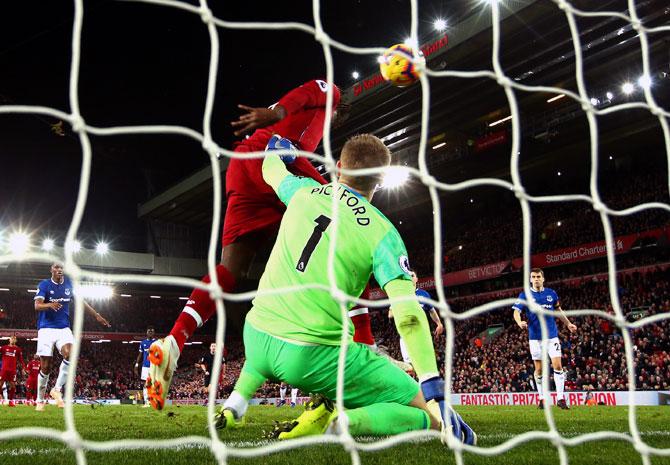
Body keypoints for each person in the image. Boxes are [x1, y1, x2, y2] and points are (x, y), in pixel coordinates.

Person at [212, 134, 475, 443]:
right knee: (430, 414)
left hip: (255, 336)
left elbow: (272, 172)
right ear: (378, 182)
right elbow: (408, 317)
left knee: (271, 341)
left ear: (338, 167)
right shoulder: (383, 233)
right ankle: (346, 421)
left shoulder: (303, 191)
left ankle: (236, 405)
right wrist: (433, 387)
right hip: (311, 357)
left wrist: (275, 150)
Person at [147, 79, 342, 410]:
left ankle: (175, 340)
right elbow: (306, 93)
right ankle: (354, 349)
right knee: (343, 220)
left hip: (245, 166)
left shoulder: (313, 131)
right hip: (278, 156)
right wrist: (275, 112)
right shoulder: (330, 96)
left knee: (230, 270)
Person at [33, 262, 111, 411]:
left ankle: (56, 389)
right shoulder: (44, 285)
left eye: (61, 268)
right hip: (46, 329)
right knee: (46, 367)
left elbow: (81, 301)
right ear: (51, 270)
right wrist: (50, 305)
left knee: (71, 353)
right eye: (56, 268)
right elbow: (37, 306)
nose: (59, 270)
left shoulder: (69, 284)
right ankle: (40, 399)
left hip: (63, 328)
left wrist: (97, 315)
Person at [512, 268, 577, 410]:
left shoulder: (551, 294)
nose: (536, 279)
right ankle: (542, 398)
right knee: (539, 370)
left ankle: (560, 398)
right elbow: (516, 311)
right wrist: (519, 322)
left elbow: (558, 310)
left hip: (552, 337)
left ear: (543, 278)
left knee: (558, 366)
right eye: (533, 277)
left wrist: (568, 323)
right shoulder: (525, 295)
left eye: (538, 276)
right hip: (535, 338)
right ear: (530, 279)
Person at [389, 271, 444, 367]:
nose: (410, 277)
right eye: (408, 276)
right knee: (410, 366)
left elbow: (432, 311)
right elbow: (390, 314)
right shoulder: (399, 295)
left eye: (412, 275)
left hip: (422, 333)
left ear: (416, 279)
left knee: (425, 364)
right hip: (406, 334)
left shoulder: (424, 294)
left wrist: (439, 323)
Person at [0, 335, 25, 407]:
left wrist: (23, 368)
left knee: (13, 386)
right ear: (9, 340)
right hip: (4, 370)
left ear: (16, 341)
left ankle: (10, 401)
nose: (13, 339)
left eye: (14, 338)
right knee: (0, 385)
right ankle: (1, 399)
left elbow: (21, 360)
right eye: (12, 338)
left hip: (12, 370)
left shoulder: (18, 349)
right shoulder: (4, 348)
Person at [135, 327, 156, 408]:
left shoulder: (157, 342)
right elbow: (140, 355)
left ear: (154, 333)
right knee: (146, 384)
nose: (150, 333)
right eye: (149, 331)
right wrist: (136, 365)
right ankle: (147, 402)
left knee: (154, 384)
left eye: (152, 331)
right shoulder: (143, 343)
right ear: (146, 333)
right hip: (145, 366)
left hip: (155, 366)